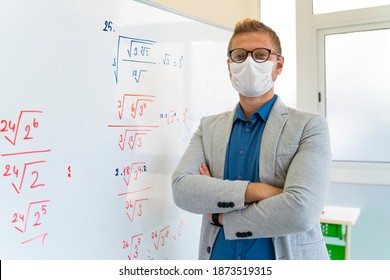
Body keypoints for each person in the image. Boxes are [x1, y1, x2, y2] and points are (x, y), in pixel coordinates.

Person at [171, 18, 332, 260]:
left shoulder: (309, 126)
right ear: (229, 66)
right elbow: (182, 190)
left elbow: (302, 211)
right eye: (239, 56)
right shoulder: (209, 127)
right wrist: (260, 191)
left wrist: (221, 216)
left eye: (260, 55)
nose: (248, 62)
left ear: (279, 65)